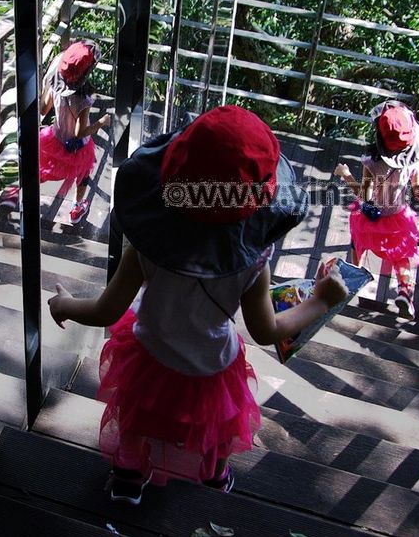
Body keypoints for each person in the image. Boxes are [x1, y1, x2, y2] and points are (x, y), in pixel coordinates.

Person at [48, 105, 348, 504]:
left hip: (149, 360)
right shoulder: (252, 266)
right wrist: (320, 301)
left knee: (140, 419)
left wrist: (65, 305)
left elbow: (106, 310)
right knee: (213, 427)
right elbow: (266, 331)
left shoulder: (146, 248)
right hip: (212, 371)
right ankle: (213, 477)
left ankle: (128, 478)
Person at [333, 100, 419, 319]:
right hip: (397, 217)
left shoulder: (371, 161)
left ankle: (352, 285)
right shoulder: (412, 161)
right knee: (402, 256)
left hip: (370, 216)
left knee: (358, 245)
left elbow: (364, 195)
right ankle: (404, 293)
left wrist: (345, 174)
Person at [36, 40, 112, 224]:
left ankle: (27, 190)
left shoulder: (56, 75)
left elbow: (43, 109)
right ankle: (77, 208)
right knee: (83, 173)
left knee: (44, 167)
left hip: (56, 137)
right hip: (78, 146)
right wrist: (102, 122)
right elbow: (81, 132)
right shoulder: (83, 100)